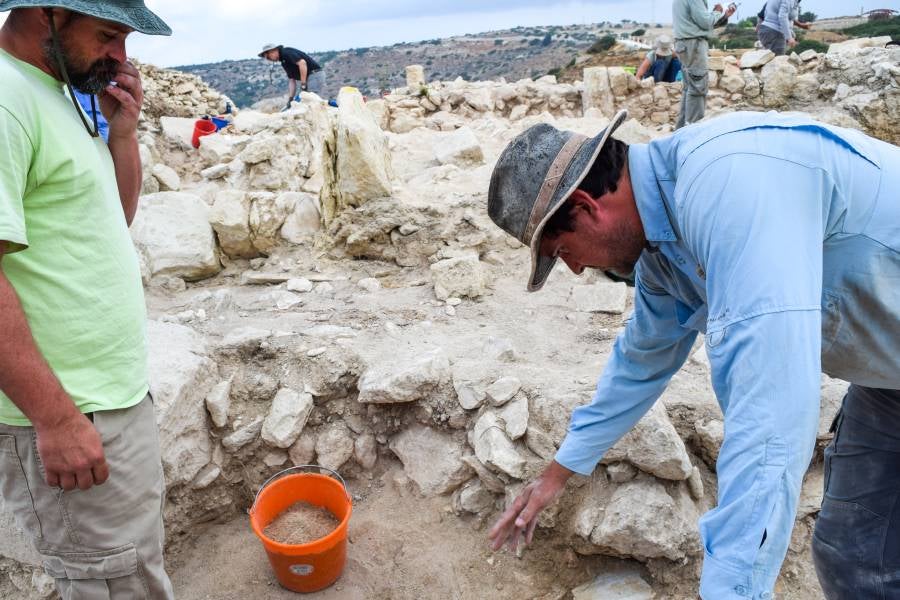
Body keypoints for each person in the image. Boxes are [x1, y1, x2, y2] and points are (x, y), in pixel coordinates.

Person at [485, 109, 899, 599]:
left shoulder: (729, 184)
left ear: (586, 206)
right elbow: (640, 363)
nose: (575, 270)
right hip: (888, 384)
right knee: (853, 553)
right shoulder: (663, 250)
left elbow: (769, 414)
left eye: (562, 251)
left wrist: (731, 589)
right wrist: (557, 475)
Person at [0, 1, 175, 598]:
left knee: (134, 565)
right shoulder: (6, 98)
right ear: (44, 13)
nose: (120, 58)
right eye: (107, 35)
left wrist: (122, 133)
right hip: (69, 410)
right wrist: (56, 418)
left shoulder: (60, 92)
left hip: (109, 397)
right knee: (110, 583)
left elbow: (113, 217)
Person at [672, 0, 736, 129]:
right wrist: (717, 12)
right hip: (693, 45)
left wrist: (724, 16)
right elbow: (705, 22)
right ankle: (693, 132)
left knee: (689, 88)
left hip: (686, 44)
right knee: (698, 87)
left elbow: (700, 24)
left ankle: (682, 130)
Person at [259, 42, 325, 111]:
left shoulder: (286, 53)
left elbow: (302, 63)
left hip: (315, 75)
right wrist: (291, 98)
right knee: (297, 102)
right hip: (308, 78)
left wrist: (303, 84)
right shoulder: (284, 62)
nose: (268, 59)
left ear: (274, 51)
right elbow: (291, 80)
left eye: (268, 56)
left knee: (310, 100)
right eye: (266, 57)